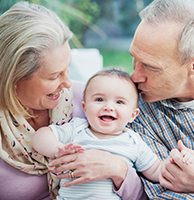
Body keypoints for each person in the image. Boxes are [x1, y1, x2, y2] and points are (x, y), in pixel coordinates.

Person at [0, 2, 147, 200]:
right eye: (54, 76)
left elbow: (145, 195)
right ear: (14, 79)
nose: (68, 82)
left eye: (68, 68)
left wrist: (118, 170)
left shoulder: (92, 102)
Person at [32, 68, 194, 200]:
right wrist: (57, 149)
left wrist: (178, 160)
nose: (108, 107)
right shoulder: (77, 129)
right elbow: (40, 136)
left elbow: (157, 172)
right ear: (84, 107)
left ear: (133, 115)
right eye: (99, 100)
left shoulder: (134, 141)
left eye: (119, 102)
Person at [127, 0, 194, 199]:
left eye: (150, 66)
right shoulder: (131, 109)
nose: (135, 76)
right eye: (134, 58)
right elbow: (171, 195)